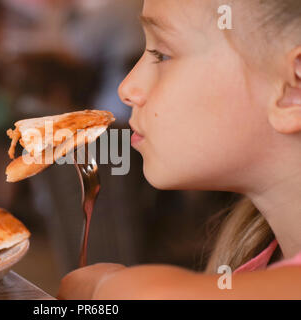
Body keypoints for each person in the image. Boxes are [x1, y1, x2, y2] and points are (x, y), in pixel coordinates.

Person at [57, 0, 301, 299]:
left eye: (162, 54)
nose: (127, 88)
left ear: (293, 89)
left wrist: (107, 285)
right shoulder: (256, 259)